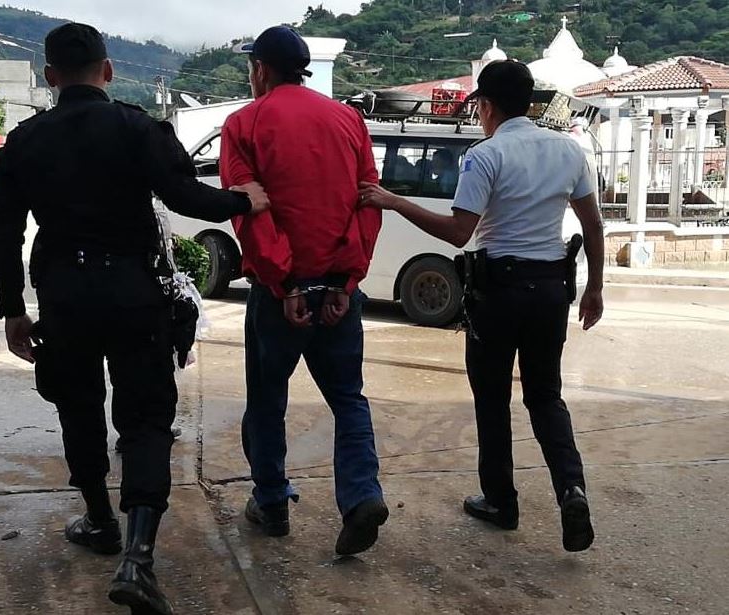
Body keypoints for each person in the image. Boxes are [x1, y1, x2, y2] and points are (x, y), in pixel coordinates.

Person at [0, 23, 268, 614]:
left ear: (49, 76)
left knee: (78, 407)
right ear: (108, 72)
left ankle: (97, 520)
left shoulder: (26, 140)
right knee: (144, 419)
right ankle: (137, 556)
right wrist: (246, 200)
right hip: (135, 293)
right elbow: (188, 198)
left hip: (63, 297)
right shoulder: (140, 127)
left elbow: (2, 232)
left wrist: (12, 308)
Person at [359, 60, 604, 553]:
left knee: (492, 399)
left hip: (498, 294)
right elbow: (593, 225)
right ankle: (571, 490)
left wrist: (394, 201)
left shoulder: (485, 155)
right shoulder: (570, 150)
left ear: (487, 106)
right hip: (550, 289)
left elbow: (457, 231)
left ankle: (501, 501)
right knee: (545, 396)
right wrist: (595, 288)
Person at [221, 25, 389, 556]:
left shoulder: (244, 123)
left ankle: (271, 503)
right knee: (348, 399)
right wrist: (345, 280)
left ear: (261, 70)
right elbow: (368, 201)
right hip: (340, 291)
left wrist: (286, 282)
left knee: (268, 401)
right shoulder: (348, 119)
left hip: (281, 296)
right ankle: (361, 496)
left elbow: (250, 212)